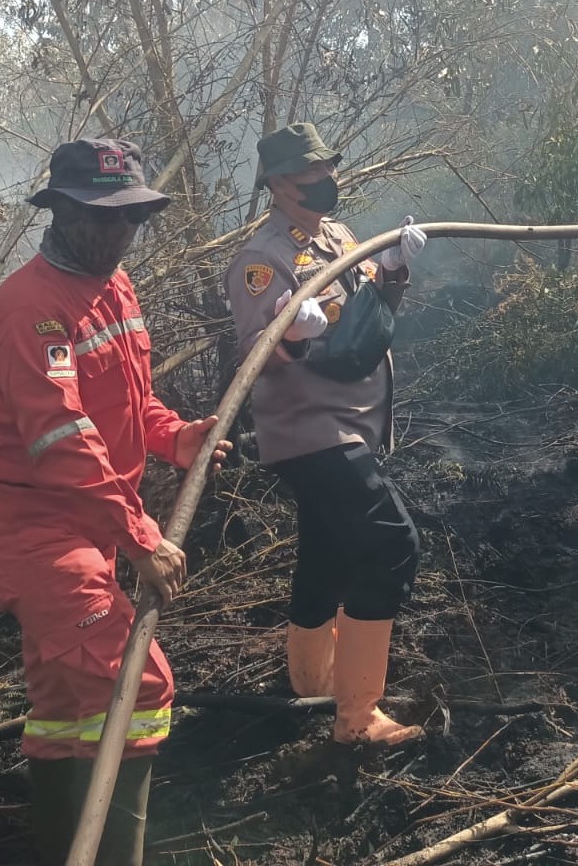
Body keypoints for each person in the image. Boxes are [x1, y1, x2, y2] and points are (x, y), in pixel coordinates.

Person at [0, 138, 231, 866]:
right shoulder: (29, 310)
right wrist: (140, 535)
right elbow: (62, 437)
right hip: (34, 531)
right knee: (136, 686)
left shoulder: (117, 285)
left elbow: (126, 402)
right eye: (103, 219)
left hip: (87, 524)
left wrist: (177, 438)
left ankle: (59, 846)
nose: (118, 234)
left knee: (66, 707)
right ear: (62, 211)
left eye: (131, 219)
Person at [224, 122, 427, 746]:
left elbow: (368, 312)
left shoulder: (337, 236)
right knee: (391, 545)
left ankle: (313, 681)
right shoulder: (263, 259)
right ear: (279, 185)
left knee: (328, 552)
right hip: (312, 432)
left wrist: (390, 269)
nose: (326, 181)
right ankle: (357, 718)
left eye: (327, 169)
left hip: (353, 422)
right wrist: (289, 332)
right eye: (311, 174)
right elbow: (253, 351)